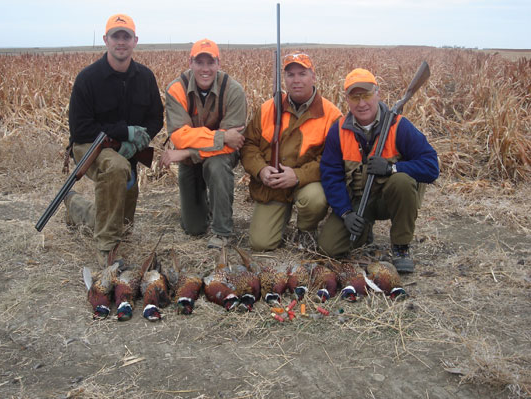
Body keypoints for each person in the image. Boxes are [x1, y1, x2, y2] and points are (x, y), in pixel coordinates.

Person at [65, 13, 164, 268]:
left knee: (124, 225)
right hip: (90, 146)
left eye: (126, 36)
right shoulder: (88, 78)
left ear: (135, 41)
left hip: (125, 149)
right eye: (115, 36)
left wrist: (139, 141)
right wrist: (125, 134)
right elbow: (81, 129)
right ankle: (106, 249)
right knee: (116, 167)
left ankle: (75, 205)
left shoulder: (145, 77)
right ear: (105, 40)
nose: (121, 42)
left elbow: (156, 118)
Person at [318, 68, 439, 273]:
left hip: (389, 200)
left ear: (378, 93)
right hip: (358, 201)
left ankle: (401, 246)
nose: (362, 103)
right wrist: (345, 212)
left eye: (366, 95)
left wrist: (392, 168)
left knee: (402, 181)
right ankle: (365, 229)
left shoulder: (399, 126)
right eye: (354, 97)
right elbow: (331, 175)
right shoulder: (338, 130)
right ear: (346, 99)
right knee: (328, 247)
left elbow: (431, 166)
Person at [241, 52, 342, 251]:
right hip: (273, 187)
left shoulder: (331, 115)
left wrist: (297, 176)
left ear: (313, 77)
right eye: (290, 75)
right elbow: (248, 145)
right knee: (261, 244)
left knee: (315, 199)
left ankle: (306, 228)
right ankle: (280, 216)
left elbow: (334, 160)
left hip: (307, 183)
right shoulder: (268, 108)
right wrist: (261, 170)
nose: (296, 80)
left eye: (302, 74)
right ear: (284, 79)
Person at [160, 39, 247, 249]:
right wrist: (221, 137)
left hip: (218, 157)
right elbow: (179, 137)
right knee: (194, 228)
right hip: (191, 161)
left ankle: (222, 231)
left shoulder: (234, 91)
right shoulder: (176, 89)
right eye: (200, 62)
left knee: (216, 165)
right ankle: (207, 208)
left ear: (218, 63)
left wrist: (185, 152)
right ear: (190, 62)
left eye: (211, 62)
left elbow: (233, 143)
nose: (205, 69)